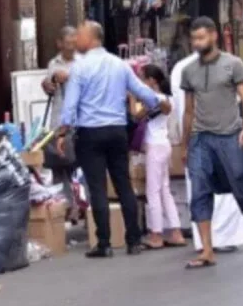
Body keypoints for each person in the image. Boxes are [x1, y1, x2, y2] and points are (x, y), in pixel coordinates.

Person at [58, 21, 171, 257]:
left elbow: (70, 105)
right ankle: (133, 240)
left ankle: (105, 243)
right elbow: (142, 92)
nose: (76, 39)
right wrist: (157, 102)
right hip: (117, 132)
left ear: (91, 38)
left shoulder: (80, 68)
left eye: (79, 35)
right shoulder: (119, 65)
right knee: (123, 184)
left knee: (97, 187)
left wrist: (62, 131)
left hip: (90, 133)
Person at [181, 16, 243, 269]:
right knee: (199, 191)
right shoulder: (189, 71)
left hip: (231, 136)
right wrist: (185, 145)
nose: (196, 43)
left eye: (201, 38)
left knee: (242, 188)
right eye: (194, 39)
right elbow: (189, 110)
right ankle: (207, 250)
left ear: (213, 36)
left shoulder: (233, 65)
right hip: (201, 139)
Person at [171, 53, 243, 254]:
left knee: (201, 191)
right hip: (218, 138)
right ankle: (217, 240)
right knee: (218, 190)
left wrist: (184, 144)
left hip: (205, 140)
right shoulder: (225, 65)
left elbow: (185, 111)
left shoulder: (181, 69)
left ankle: (206, 243)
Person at [130, 64, 185, 250]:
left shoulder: (156, 98)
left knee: (153, 191)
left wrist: (131, 99)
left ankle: (156, 234)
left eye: (142, 78)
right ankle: (176, 231)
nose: (140, 82)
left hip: (155, 146)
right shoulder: (168, 97)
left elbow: (136, 116)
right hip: (164, 144)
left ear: (152, 80)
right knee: (164, 190)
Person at [41, 26, 82, 219]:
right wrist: (48, 83)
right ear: (59, 43)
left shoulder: (83, 62)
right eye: (68, 42)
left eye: (75, 41)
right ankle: (67, 206)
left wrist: (70, 78)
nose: (72, 45)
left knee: (82, 164)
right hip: (59, 121)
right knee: (59, 165)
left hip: (81, 121)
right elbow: (50, 87)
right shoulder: (53, 63)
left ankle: (86, 206)